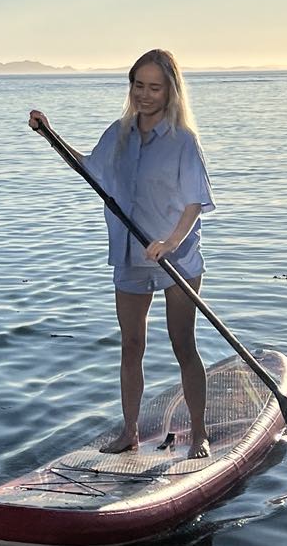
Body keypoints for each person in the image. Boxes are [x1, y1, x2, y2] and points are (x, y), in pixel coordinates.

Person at [28, 49, 215, 459]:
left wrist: (171, 243)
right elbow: (89, 169)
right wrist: (50, 135)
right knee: (131, 345)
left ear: (170, 92)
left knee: (182, 342)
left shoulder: (184, 141)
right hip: (129, 254)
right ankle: (130, 431)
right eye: (138, 85)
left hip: (176, 259)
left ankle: (199, 433)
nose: (144, 95)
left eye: (154, 87)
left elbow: (194, 203)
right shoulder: (119, 133)